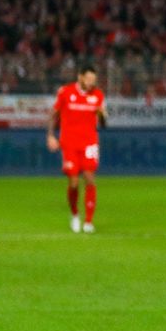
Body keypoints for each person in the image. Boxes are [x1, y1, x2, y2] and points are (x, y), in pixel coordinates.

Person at [47, 65, 106, 234]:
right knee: (73, 182)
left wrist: (101, 115)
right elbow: (54, 114)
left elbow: (103, 124)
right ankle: (74, 214)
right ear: (80, 77)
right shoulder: (66, 92)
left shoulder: (98, 95)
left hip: (89, 143)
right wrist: (51, 135)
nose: (91, 83)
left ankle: (88, 221)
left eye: (93, 80)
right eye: (88, 79)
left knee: (89, 178)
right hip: (70, 143)